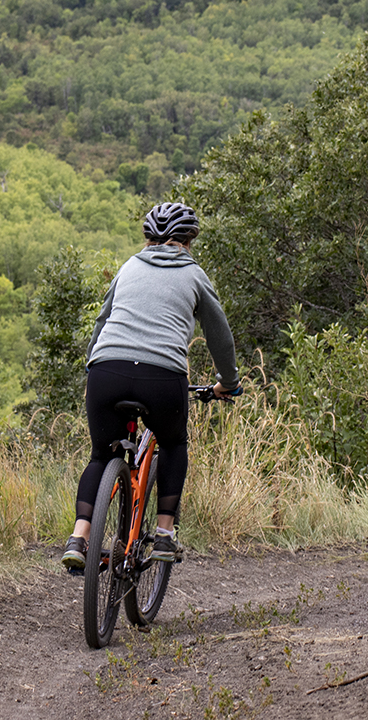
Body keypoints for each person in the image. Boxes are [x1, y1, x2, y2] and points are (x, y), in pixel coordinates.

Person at [62, 201, 241, 569]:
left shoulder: (129, 266)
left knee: (102, 455)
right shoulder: (194, 275)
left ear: (148, 239)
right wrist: (228, 382)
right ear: (187, 242)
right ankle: (163, 534)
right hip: (162, 378)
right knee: (174, 443)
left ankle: (79, 538)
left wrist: (94, 369)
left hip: (106, 371)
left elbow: (102, 322)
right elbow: (219, 335)